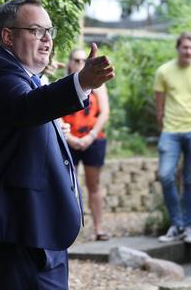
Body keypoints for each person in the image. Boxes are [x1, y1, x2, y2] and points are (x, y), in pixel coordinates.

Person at [0, 0, 114, 289]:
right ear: (8, 36)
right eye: (36, 30)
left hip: (30, 228)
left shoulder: (23, 75)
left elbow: (21, 123)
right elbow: (25, 108)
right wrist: (82, 82)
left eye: (50, 31)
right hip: (11, 230)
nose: (47, 39)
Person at [153, 32, 191, 243]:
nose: (188, 51)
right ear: (177, 48)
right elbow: (159, 105)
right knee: (166, 175)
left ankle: (187, 227)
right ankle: (177, 223)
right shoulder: (164, 71)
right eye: (185, 47)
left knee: (190, 180)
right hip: (170, 131)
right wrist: (164, 124)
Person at [62, 48, 111, 241]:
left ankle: (99, 228)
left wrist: (89, 137)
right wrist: (70, 139)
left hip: (94, 139)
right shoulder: (63, 83)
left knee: (94, 184)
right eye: (77, 59)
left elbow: (104, 112)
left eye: (84, 60)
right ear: (70, 62)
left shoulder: (99, 84)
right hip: (68, 139)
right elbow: (55, 114)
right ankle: (66, 231)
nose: (81, 63)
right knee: (67, 185)